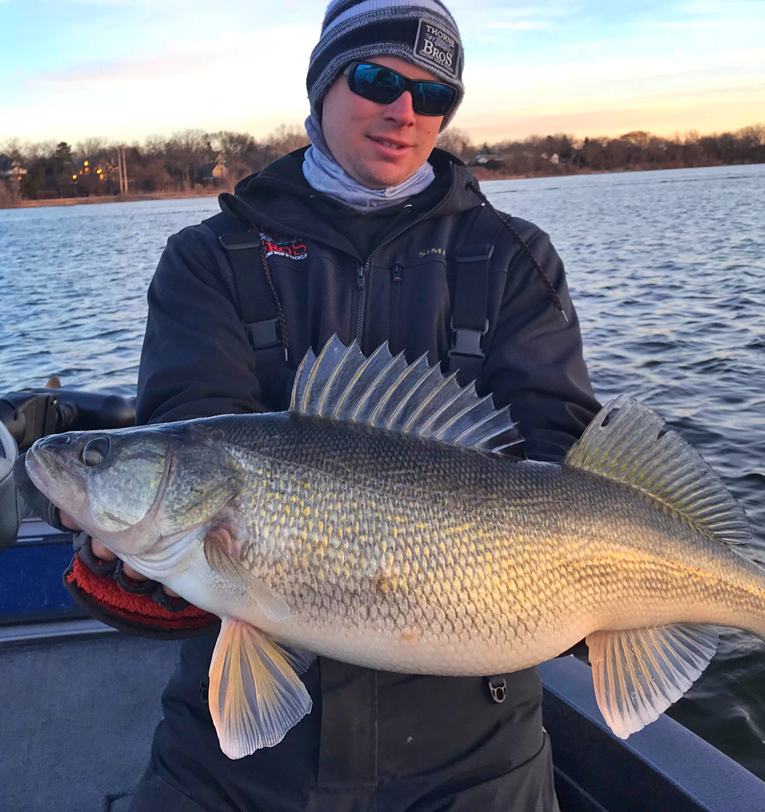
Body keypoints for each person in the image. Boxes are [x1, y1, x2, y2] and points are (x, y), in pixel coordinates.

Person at [52, 1, 601, 809]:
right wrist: (131, 567)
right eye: (377, 78)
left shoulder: (514, 256)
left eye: (435, 95)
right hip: (234, 771)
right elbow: (191, 432)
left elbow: (566, 455)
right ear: (323, 83)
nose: (404, 111)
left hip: (479, 761)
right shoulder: (208, 259)